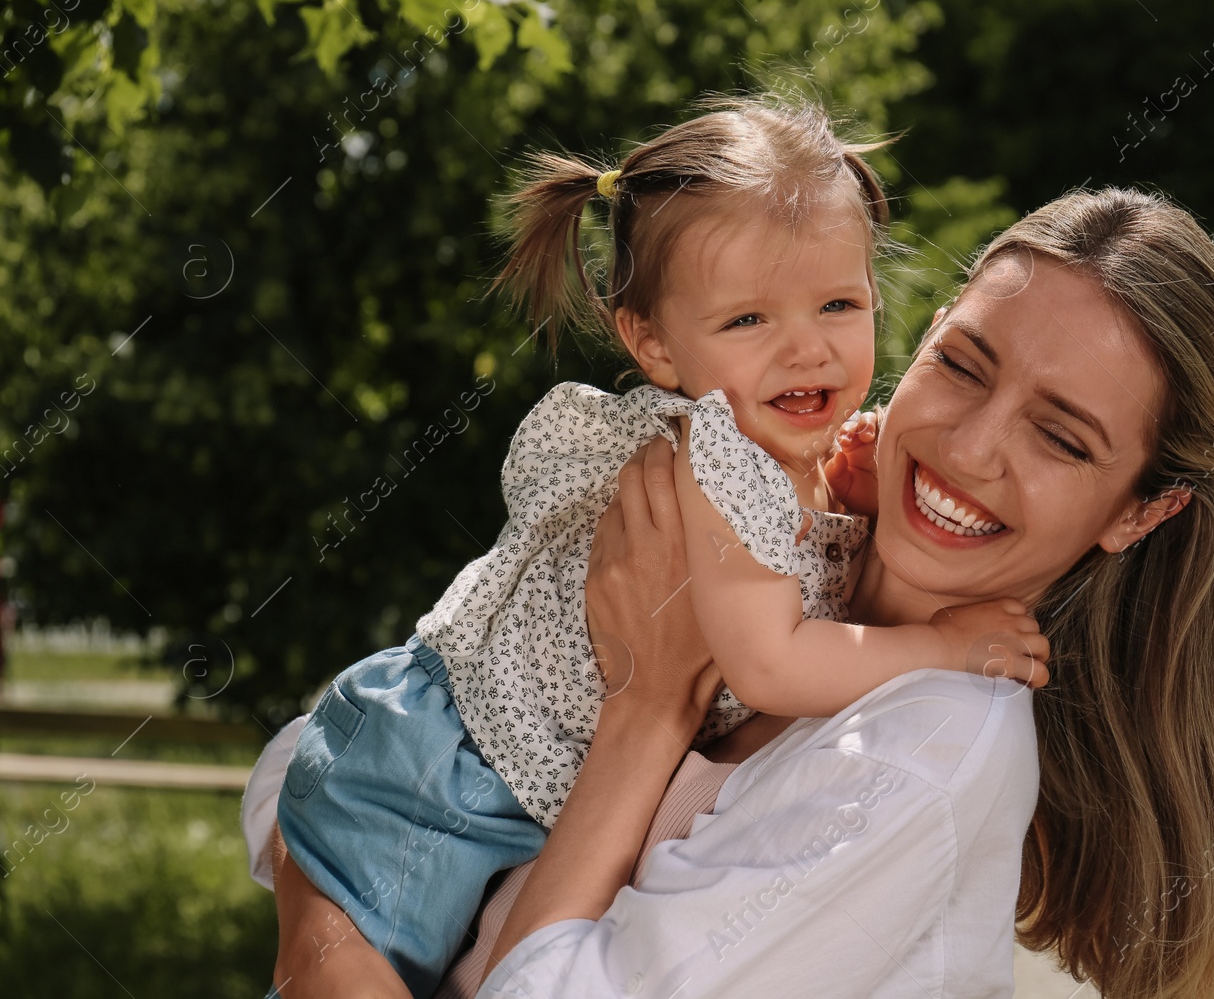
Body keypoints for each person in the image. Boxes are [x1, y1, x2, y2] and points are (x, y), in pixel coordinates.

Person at [260, 187, 1214, 998]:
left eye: (1060, 435)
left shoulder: (927, 747)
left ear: (1137, 512)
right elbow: (348, 738)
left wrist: (646, 710)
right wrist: (326, 901)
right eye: (961, 364)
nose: (967, 445)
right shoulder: (775, 537)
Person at [272, 98, 1044, 998]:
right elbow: (771, 664)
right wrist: (948, 645)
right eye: (748, 321)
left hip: (486, 772)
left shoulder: (782, 457)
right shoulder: (717, 453)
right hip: (442, 774)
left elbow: (773, 581)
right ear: (653, 344)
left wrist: (851, 499)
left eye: (838, 302)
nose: (807, 349)